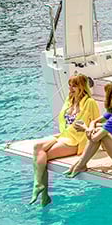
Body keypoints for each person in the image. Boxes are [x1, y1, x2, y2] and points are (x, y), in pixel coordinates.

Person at [30, 74, 100, 206]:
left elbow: (96, 123)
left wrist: (89, 133)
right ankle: (39, 186)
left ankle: (43, 192)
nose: (71, 88)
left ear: (82, 87)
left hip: (76, 141)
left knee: (44, 156)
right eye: (70, 85)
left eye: (74, 85)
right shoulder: (69, 99)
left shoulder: (90, 102)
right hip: (63, 136)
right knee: (37, 147)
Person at [66, 82, 112, 178]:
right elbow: (94, 121)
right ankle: (81, 163)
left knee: (100, 133)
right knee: (98, 129)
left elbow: (95, 138)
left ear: (110, 96)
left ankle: (81, 164)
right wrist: (90, 128)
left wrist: (85, 128)